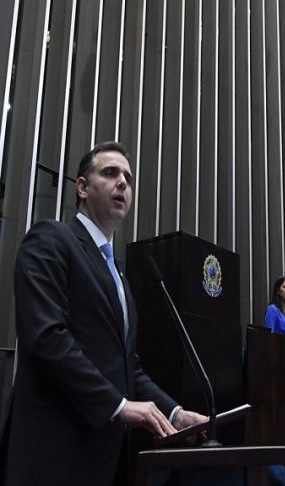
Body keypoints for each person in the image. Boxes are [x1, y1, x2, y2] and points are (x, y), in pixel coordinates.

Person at [1, 141, 206, 485]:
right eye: (110, 173)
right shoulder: (51, 239)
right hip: (53, 454)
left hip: (104, 459)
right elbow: (47, 338)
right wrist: (118, 405)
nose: (123, 182)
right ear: (81, 187)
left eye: (128, 176)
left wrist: (175, 412)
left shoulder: (120, 277)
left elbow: (128, 367)